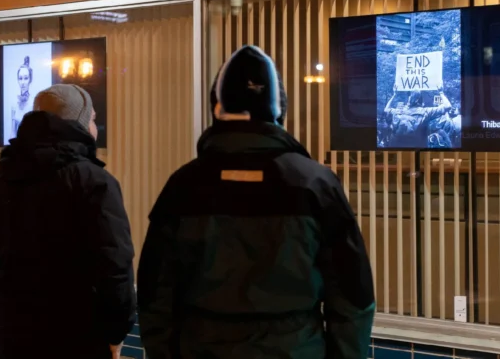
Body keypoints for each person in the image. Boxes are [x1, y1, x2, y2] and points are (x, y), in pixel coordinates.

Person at [137, 45, 376, 359]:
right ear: (279, 110)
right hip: (295, 349)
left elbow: (155, 291)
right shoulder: (314, 183)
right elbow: (352, 293)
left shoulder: (184, 185)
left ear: (217, 107)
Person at [0, 84, 136, 359]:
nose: (96, 127)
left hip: (14, 336)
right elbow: (115, 266)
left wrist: (9, 311)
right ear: (79, 124)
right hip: (80, 337)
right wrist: (116, 332)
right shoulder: (93, 181)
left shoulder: (2, 180)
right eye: (93, 119)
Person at [11, 56, 34, 138]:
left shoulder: (34, 103)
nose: (23, 82)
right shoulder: (14, 103)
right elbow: (13, 131)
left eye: (26, 78)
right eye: (20, 78)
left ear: (30, 79)